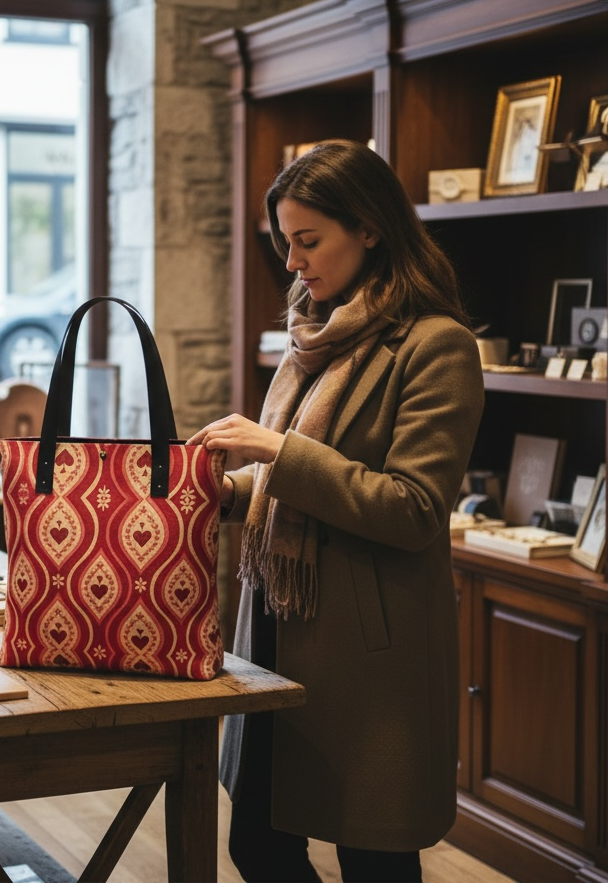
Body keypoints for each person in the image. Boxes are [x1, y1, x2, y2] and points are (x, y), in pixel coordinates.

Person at [188, 140, 485, 883]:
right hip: (275, 632)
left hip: (366, 656)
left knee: (374, 859)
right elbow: (301, 493)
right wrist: (227, 494)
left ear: (370, 228)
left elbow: (413, 507)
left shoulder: (437, 346)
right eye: (284, 242)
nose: (292, 263)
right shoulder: (310, 339)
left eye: (307, 241)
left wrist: (276, 451)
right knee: (256, 845)